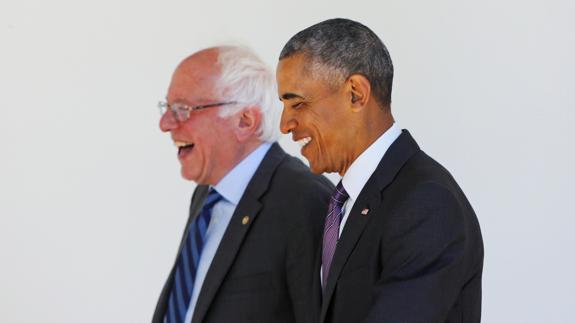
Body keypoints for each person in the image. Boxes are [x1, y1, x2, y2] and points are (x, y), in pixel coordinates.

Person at [276, 18, 484, 323]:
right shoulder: (345, 204)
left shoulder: (426, 204)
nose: (285, 125)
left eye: (297, 104)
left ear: (356, 94)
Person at [152, 46, 334, 323]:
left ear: (245, 121)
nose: (165, 124)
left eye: (183, 109)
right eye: (168, 108)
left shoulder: (305, 200)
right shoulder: (207, 195)